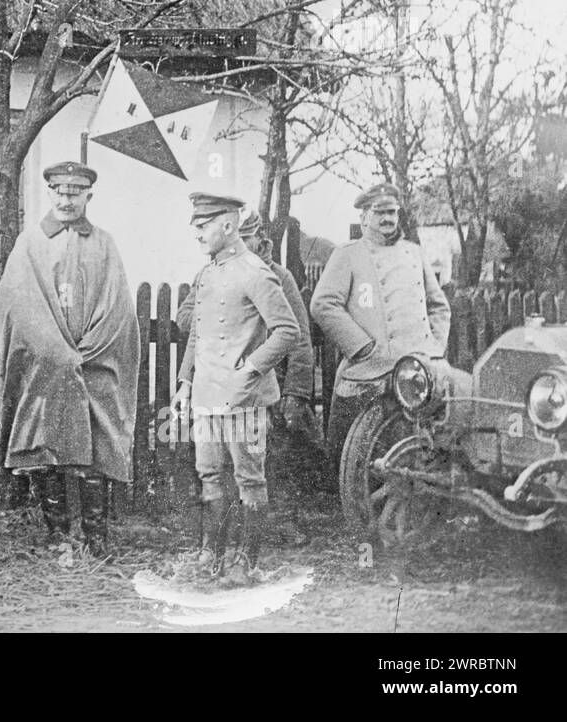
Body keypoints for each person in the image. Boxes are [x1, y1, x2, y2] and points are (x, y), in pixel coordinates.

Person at [0, 161, 140, 555]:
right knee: (47, 448)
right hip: (47, 365)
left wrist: (89, 347)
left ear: (89, 195)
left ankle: (95, 538)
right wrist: (54, 349)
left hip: (92, 362)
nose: (67, 199)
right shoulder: (30, 242)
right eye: (59, 191)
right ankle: (58, 536)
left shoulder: (104, 243)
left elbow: (117, 305)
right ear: (50, 192)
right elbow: (20, 303)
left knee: (97, 448)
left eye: (76, 192)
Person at [172, 193, 300, 582]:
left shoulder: (255, 271)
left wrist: (252, 369)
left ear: (227, 225)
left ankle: (244, 559)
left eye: (203, 224)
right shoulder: (207, 274)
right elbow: (197, 333)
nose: (196, 233)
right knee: (208, 473)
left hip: (246, 398)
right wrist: (184, 382)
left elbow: (287, 330)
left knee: (249, 477)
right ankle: (210, 554)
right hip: (207, 395)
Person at [309, 182, 450, 472]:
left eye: (392, 213)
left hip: (419, 366)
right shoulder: (347, 254)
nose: (387, 219)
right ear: (364, 217)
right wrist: (361, 346)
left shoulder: (414, 253)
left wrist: (434, 348)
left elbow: (439, 306)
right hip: (373, 365)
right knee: (354, 455)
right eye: (379, 212)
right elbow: (322, 304)